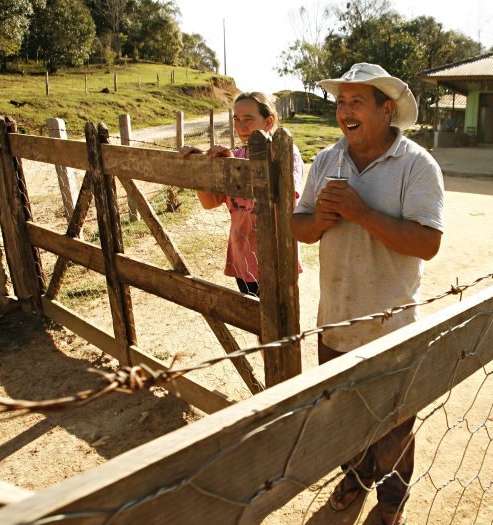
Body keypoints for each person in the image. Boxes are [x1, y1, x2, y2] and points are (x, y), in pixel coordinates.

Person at [291, 63, 444, 525]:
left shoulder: (417, 165)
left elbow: (428, 243)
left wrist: (360, 212)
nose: (344, 111)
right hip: (335, 321)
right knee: (343, 420)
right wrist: (320, 220)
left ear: (386, 109)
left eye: (356, 101)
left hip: (391, 327)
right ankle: (355, 478)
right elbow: (299, 226)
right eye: (340, 102)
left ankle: (392, 499)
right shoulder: (325, 161)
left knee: (396, 425)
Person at [185, 92, 304, 297]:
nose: (241, 126)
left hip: (276, 259)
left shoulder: (285, 154)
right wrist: (199, 168)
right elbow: (210, 202)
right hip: (242, 257)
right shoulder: (237, 155)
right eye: (237, 119)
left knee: (279, 325)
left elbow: (281, 198)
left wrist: (234, 169)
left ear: (269, 121)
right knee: (253, 322)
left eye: (249, 119)